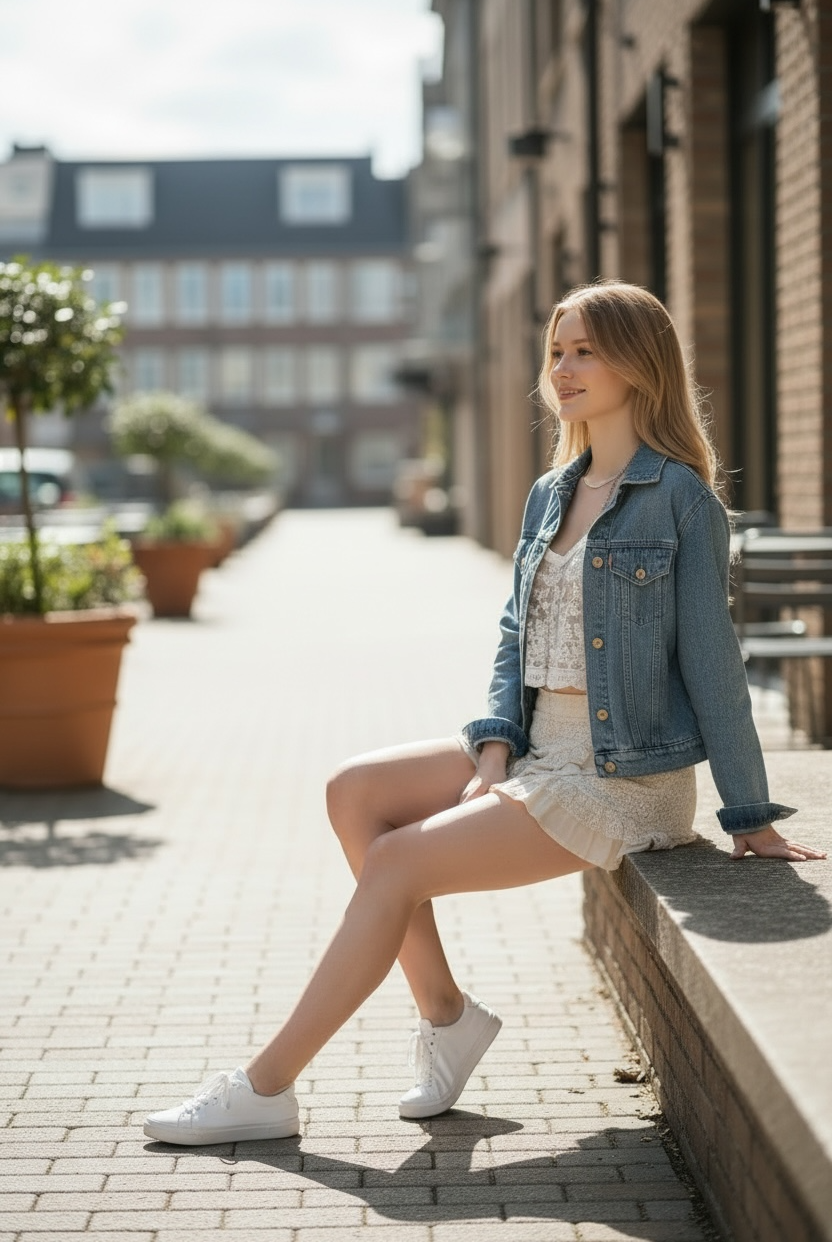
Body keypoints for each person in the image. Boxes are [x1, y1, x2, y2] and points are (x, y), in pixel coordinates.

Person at [144, 280, 825, 1147]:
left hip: (622, 777)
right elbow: (514, 637)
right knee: (354, 791)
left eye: (586, 351)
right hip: (538, 748)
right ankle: (448, 1016)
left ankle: (265, 1087)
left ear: (640, 363)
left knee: (395, 862)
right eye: (556, 352)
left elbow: (716, 666)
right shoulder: (550, 493)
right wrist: (495, 752)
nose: (564, 369)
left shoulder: (681, 499)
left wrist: (749, 814)